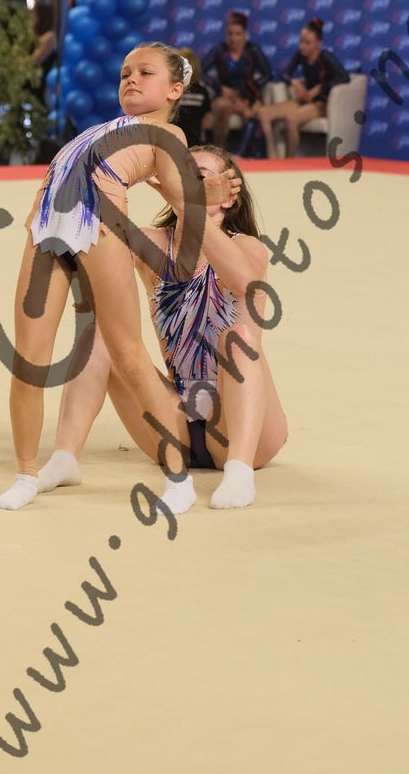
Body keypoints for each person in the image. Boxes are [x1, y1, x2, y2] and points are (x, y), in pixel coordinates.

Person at [0, 44, 241, 513]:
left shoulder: (167, 133)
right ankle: (26, 473)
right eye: (126, 72)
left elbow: (181, 192)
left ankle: (179, 480)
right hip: (45, 229)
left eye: (145, 73)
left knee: (127, 354)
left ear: (175, 90)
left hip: (99, 228)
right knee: (28, 362)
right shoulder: (102, 127)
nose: (130, 79)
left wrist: (208, 189)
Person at [36, 145, 289, 509]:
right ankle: (65, 458)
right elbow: (92, 242)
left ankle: (239, 473)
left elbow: (240, 280)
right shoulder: (153, 243)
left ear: (229, 196)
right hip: (176, 419)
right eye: (181, 174)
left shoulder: (249, 248)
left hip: (246, 428)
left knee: (238, 338)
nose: (188, 182)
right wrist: (91, 179)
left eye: (199, 176)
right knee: (100, 335)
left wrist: (189, 207)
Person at [249, 17, 349, 158]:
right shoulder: (301, 56)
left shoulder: (326, 57)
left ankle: (289, 162)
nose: (302, 46)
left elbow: (344, 77)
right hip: (304, 100)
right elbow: (284, 74)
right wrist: (294, 82)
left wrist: (320, 88)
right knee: (263, 113)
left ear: (318, 44)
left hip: (320, 104)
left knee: (291, 119)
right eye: (301, 41)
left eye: (307, 43)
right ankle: (273, 157)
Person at [204, 11, 273, 146]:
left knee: (253, 111)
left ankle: (248, 153)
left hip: (247, 95)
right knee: (222, 105)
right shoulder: (220, 50)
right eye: (230, 34)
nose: (233, 38)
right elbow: (200, 71)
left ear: (245, 34)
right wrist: (219, 87)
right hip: (225, 95)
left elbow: (268, 74)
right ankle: (218, 150)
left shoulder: (252, 50)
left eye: (238, 34)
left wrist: (247, 93)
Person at [173, 47, 213, 147]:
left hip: (172, 141)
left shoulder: (172, 90)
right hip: (195, 143)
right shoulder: (202, 91)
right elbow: (207, 123)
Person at [30, 1, 58, 97]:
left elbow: (34, 61)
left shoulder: (49, 37)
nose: (29, 17)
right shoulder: (34, 35)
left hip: (37, 85)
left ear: (41, 17)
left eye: (33, 14)